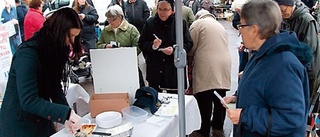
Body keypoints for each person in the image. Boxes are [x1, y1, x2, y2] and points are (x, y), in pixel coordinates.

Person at [224, 0, 312, 136]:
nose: (240, 31)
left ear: (254, 29)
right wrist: (238, 97)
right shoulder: (262, 53)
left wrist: (245, 116)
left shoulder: (284, 65)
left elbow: (290, 118)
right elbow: (263, 89)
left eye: (241, 26)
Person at [0, 7, 83, 136]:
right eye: (70, 36)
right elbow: (29, 100)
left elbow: (54, 87)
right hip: (19, 126)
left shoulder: (54, 51)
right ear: (58, 32)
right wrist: (66, 113)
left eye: (75, 37)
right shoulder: (27, 55)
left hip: (41, 122)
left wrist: (67, 117)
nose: (71, 42)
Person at [188, 10, 231, 137]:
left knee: (204, 95)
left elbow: (191, 46)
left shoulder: (197, 24)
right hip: (224, 62)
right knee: (220, 95)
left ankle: (204, 128)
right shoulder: (219, 25)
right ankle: (218, 125)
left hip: (207, 62)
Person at [138, 0, 193, 93]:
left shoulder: (180, 23)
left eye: (165, 10)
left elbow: (188, 43)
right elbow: (141, 43)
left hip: (173, 71)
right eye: (160, 9)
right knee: (155, 101)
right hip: (155, 69)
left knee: (175, 101)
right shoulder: (150, 23)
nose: (162, 13)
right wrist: (153, 46)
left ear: (172, 10)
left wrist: (174, 50)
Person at [275, 0, 320, 96]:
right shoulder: (281, 18)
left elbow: (309, 49)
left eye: (284, 10)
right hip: (288, 69)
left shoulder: (306, 20)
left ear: (290, 5)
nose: (282, 13)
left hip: (306, 70)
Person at [96, 5, 145, 87]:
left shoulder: (131, 29)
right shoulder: (105, 30)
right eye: (108, 19)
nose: (111, 22)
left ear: (121, 17)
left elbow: (138, 46)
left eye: (113, 19)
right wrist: (105, 46)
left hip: (129, 64)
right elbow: (98, 45)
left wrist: (124, 51)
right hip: (111, 65)